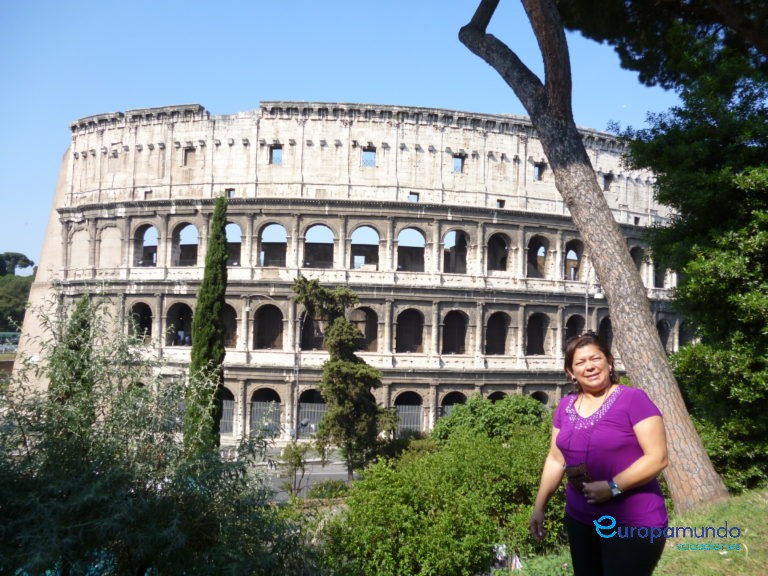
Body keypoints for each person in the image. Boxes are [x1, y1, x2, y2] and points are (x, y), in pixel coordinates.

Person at [529, 332, 669, 576]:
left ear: (609, 361)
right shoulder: (565, 406)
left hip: (632, 521)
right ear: (571, 372)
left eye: (595, 358)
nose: (590, 367)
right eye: (580, 362)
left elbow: (657, 458)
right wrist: (539, 506)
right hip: (580, 519)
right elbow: (555, 459)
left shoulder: (634, 400)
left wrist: (613, 487)